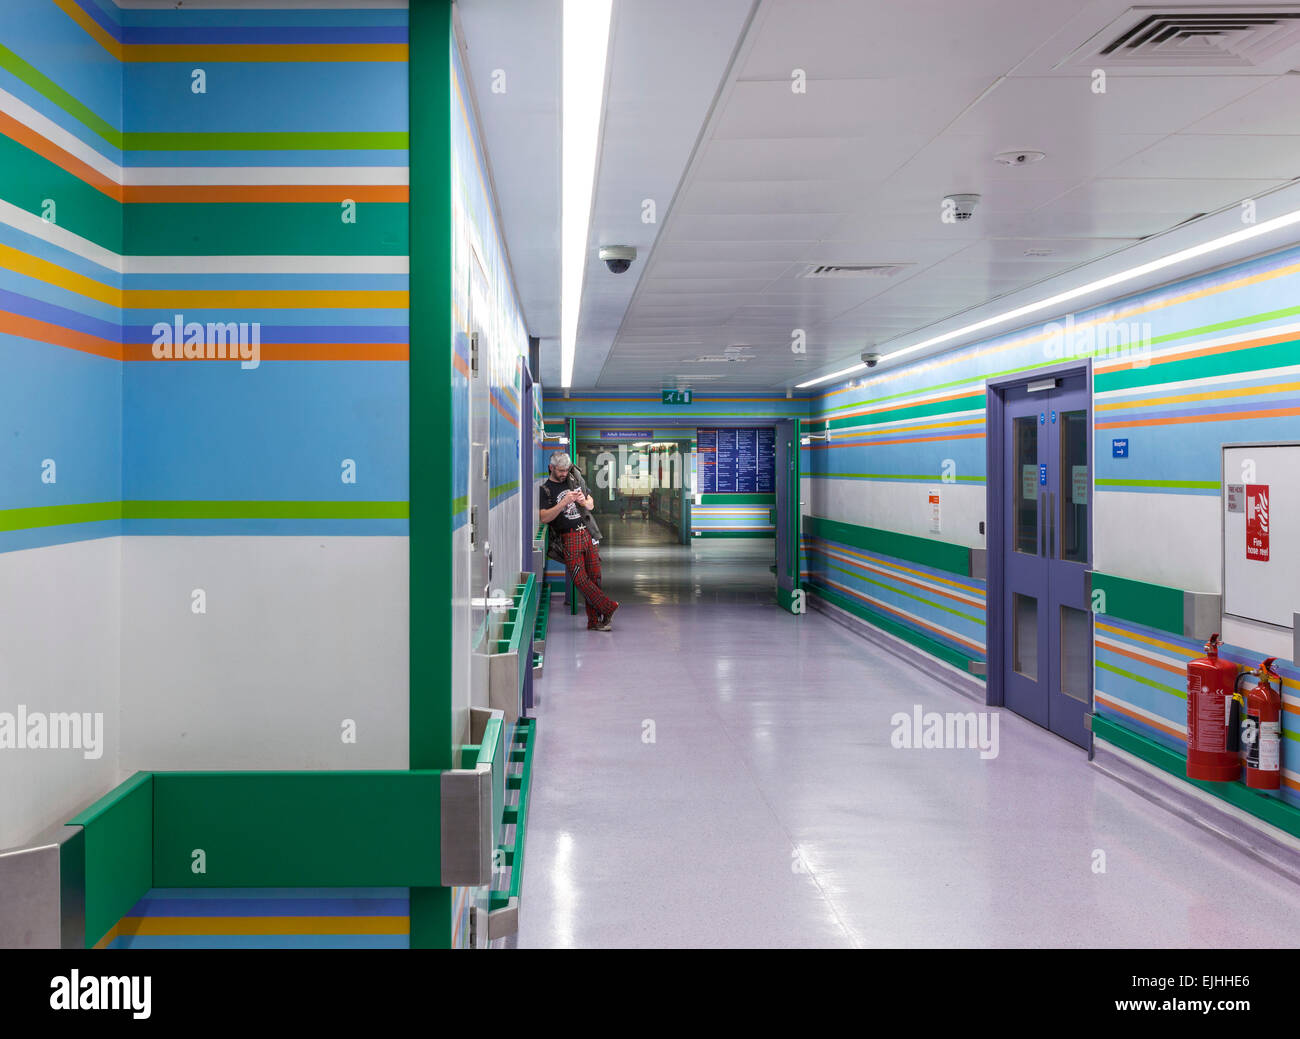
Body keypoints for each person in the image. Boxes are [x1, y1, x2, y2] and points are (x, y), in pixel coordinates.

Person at [539, 451, 619, 631]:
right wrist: (563, 503)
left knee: (595, 578)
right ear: (551, 468)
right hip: (568, 536)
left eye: (566, 470)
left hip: (587, 533)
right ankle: (607, 606)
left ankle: (596, 621)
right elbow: (544, 518)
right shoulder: (545, 490)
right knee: (579, 578)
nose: (564, 474)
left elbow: (591, 505)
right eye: (560, 470)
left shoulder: (574, 480)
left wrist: (584, 501)